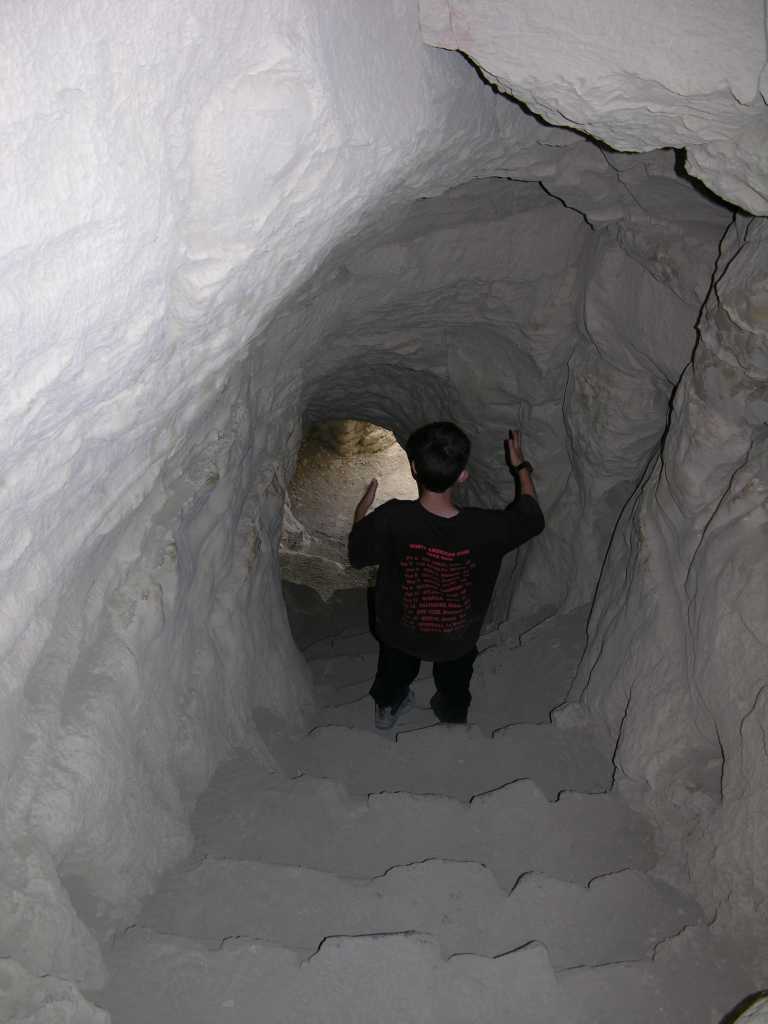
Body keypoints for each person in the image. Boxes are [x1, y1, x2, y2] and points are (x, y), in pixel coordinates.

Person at [348, 422, 544, 730]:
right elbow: (532, 517)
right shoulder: (486, 528)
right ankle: (452, 717)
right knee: (456, 680)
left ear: (413, 468)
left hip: (400, 633)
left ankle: (388, 707)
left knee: (394, 670)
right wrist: (520, 465)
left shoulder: (392, 518)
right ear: (463, 475)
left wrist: (361, 512)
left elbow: (357, 555)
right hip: (457, 637)